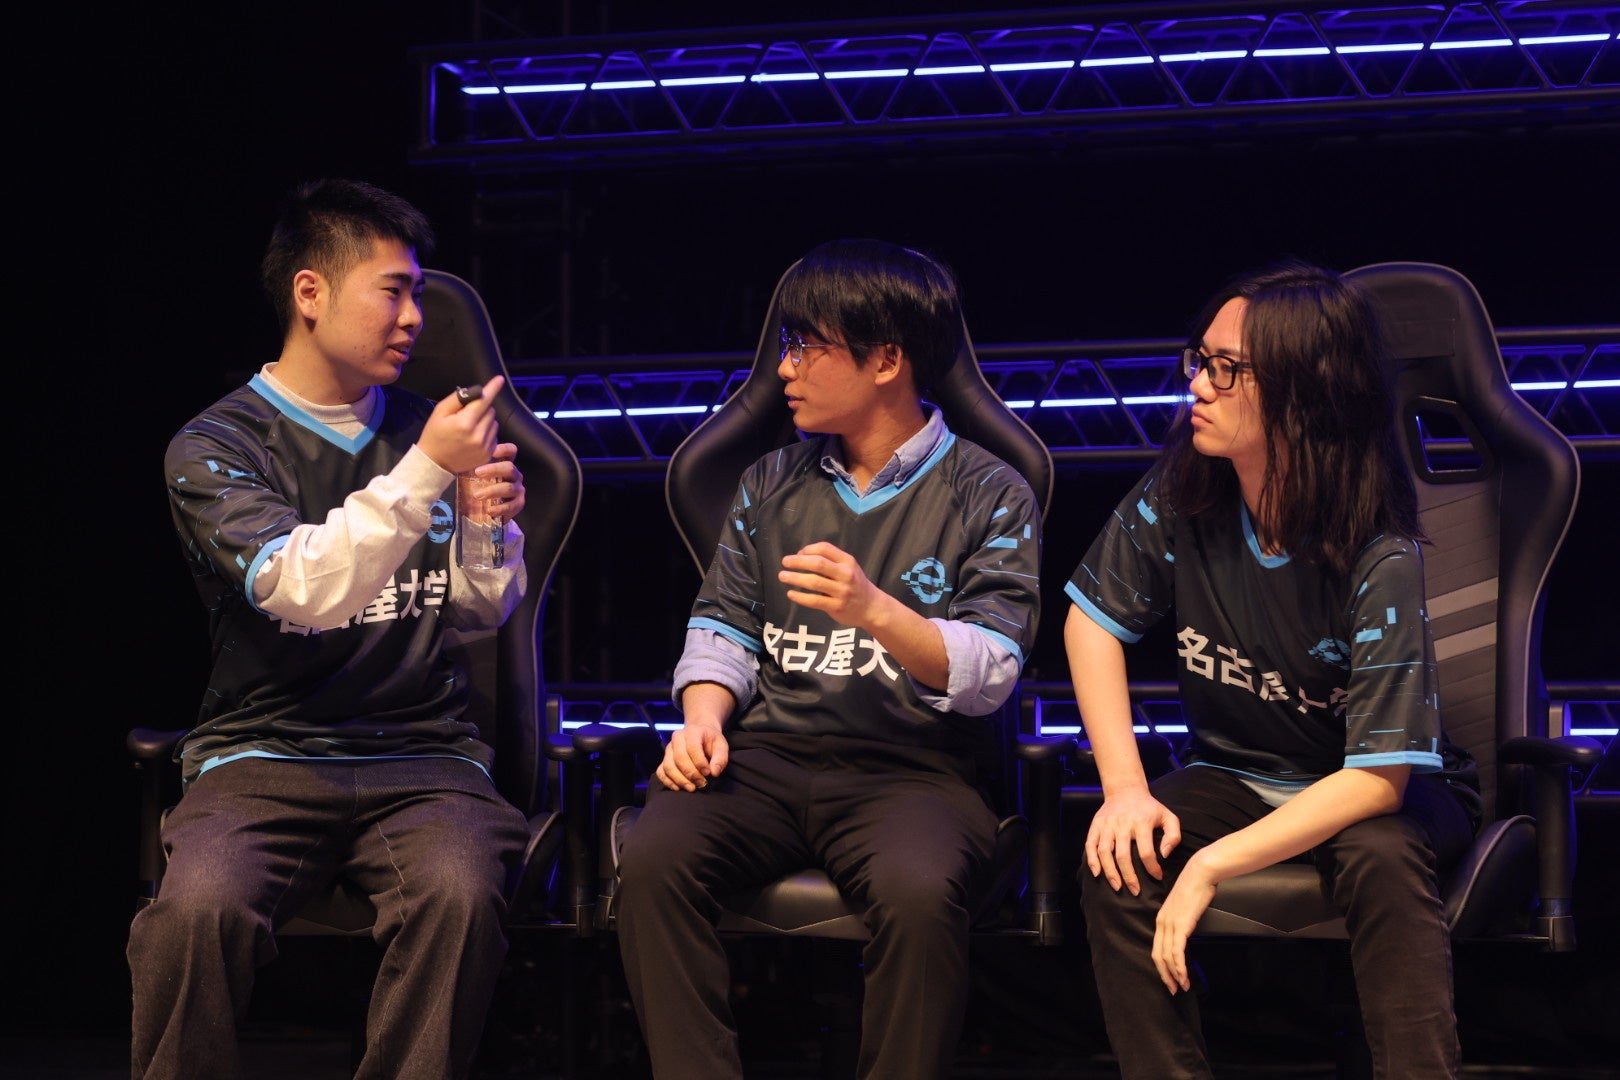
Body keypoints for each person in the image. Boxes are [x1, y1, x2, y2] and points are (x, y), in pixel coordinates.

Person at [130, 177, 533, 1080]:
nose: (414, 317)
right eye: (393, 291)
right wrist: (428, 471)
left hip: (422, 754)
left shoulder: (427, 431)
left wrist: (484, 527)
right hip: (264, 753)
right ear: (309, 292)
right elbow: (303, 590)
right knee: (194, 914)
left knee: (462, 895)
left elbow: (479, 610)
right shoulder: (218, 446)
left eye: (418, 293)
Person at [614, 238, 1044, 1079]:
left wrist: (875, 609)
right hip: (768, 761)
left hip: (915, 769)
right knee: (654, 860)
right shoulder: (770, 481)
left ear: (886, 360)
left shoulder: (990, 490)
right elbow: (724, 626)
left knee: (920, 896)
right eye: (786, 345)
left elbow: (992, 669)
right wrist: (702, 720)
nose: (785, 368)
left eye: (806, 346)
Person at [1063, 259, 1482, 1080]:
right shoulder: (1182, 491)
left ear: (1303, 394)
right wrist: (1125, 790)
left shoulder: (1379, 551)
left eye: (1227, 369)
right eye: (1200, 360)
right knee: (1118, 859)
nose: (1198, 385)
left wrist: (1212, 863)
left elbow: (1377, 782)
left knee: (1381, 858)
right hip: (1237, 772)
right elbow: (1091, 623)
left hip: (1364, 786)